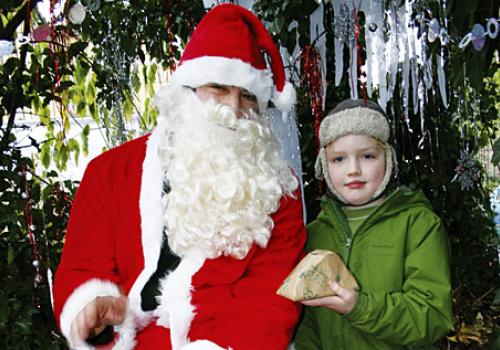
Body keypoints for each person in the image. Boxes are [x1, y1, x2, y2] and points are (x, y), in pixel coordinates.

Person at [53, 4, 306, 350]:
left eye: (247, 96)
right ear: (186, 91)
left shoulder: (278, 190)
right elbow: (83, 267)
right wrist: (91, 310)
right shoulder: (109, 172)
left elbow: (270, 301)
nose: (233, 109)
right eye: (218, 88)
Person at [294, 99, 452, 349]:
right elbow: (308, 322)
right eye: (338, 159)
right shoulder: (315, 232)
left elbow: (432, 317)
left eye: (367, 156)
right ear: (323, 165)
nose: (353, 170)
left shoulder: (418, 224)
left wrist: (360, 308)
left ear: (388, 160)